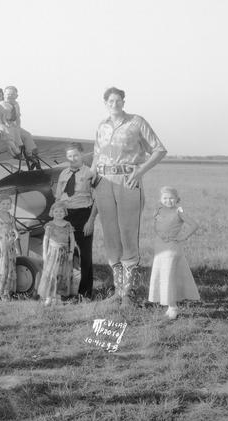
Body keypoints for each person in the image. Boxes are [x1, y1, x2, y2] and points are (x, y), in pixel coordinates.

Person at [90, 87, 167, 308]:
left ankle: (129, 293)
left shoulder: (137, 122)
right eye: (110, 100)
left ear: (124, 101)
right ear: (105, 103)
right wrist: (91, 176)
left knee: (127, 233)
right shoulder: (102, 126)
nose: (114, 103)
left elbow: (159, 150)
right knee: (111, 235)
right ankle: (117, 290)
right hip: (104, 182)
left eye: (118, 100)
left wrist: (139, 172)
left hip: (128, 180)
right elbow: (97, 154)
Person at [53, 142, 98, 299]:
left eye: (76, 155)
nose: (73, 159)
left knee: (85, 255)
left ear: (82, 154)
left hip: (83, 215)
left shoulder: (90, 173)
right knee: (64, 254)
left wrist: (90, 220)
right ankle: (65, 291)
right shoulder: (63, 174)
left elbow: (96, 199)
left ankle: (85, 293)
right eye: (69, 156)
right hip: (65, 216)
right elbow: (58, 198)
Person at [148, 187, 200, 319]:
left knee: (169, 276)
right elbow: (156, 226)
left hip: (172, 248)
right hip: (160, 246)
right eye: (165, 198)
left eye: (171, 198)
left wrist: (182, 237)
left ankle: (173, 306)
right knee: (162, 274)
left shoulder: (179, 211)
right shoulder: (158, 210)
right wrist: (161, 235)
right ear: (160, 199)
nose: (168, 201)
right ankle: (168, 304)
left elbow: (194, 225)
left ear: (177, 199)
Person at [37, 201, 78, 306]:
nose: (59, 213)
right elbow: (46, 239)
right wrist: (44, 253)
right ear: (52, 212)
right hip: (53, 253)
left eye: (61, 211)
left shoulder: (67, 225)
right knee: (52, 275)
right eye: (56, 211)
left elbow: (72, 240)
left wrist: (71, 252)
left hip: (64, 253)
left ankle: (59, 297)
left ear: (65, 213)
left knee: (62, 275)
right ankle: (49, 297)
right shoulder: (50, 225)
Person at [0, 86, 41, 169]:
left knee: (27, 135)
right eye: (8, 94)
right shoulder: (1, 105)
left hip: (14, 125)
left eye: (12, 94)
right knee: (14, 138)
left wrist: (18, 129)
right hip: (4, 126)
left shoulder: (16, 104)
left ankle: (31, 155)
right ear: (4, 95)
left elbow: (18, 118)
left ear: (16, 96)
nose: (10, 96)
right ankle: (17, 153)